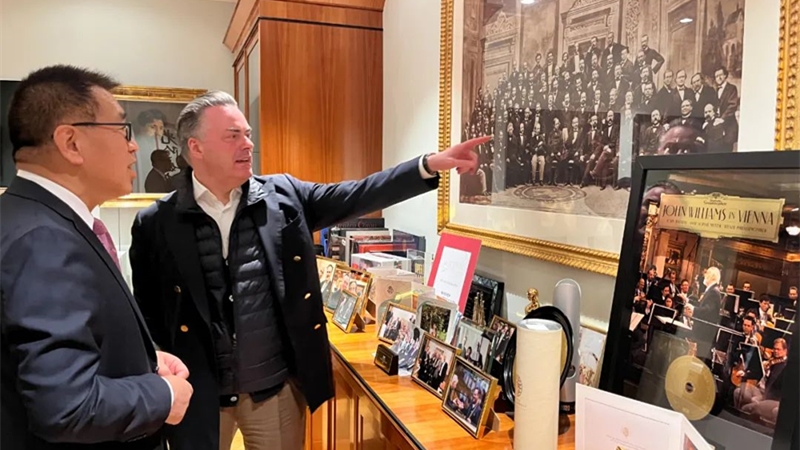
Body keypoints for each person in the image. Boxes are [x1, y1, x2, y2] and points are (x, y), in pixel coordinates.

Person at [128, 90, 490, 450]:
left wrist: (427, 165)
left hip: (274, 390)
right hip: (197, 395)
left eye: (248, 134)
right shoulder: (155, 223)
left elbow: (358, 194)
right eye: (233, 136)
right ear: (196, 148)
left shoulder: (284, 197)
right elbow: (147, 318)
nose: (248, 144)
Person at [0, 65, 194, 449]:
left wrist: (145, 362)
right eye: (122, 129)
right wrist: (163, 395)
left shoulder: (37, 219)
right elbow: (66, 406)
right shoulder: (44, 240)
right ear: (71, 142)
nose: (134, 146)